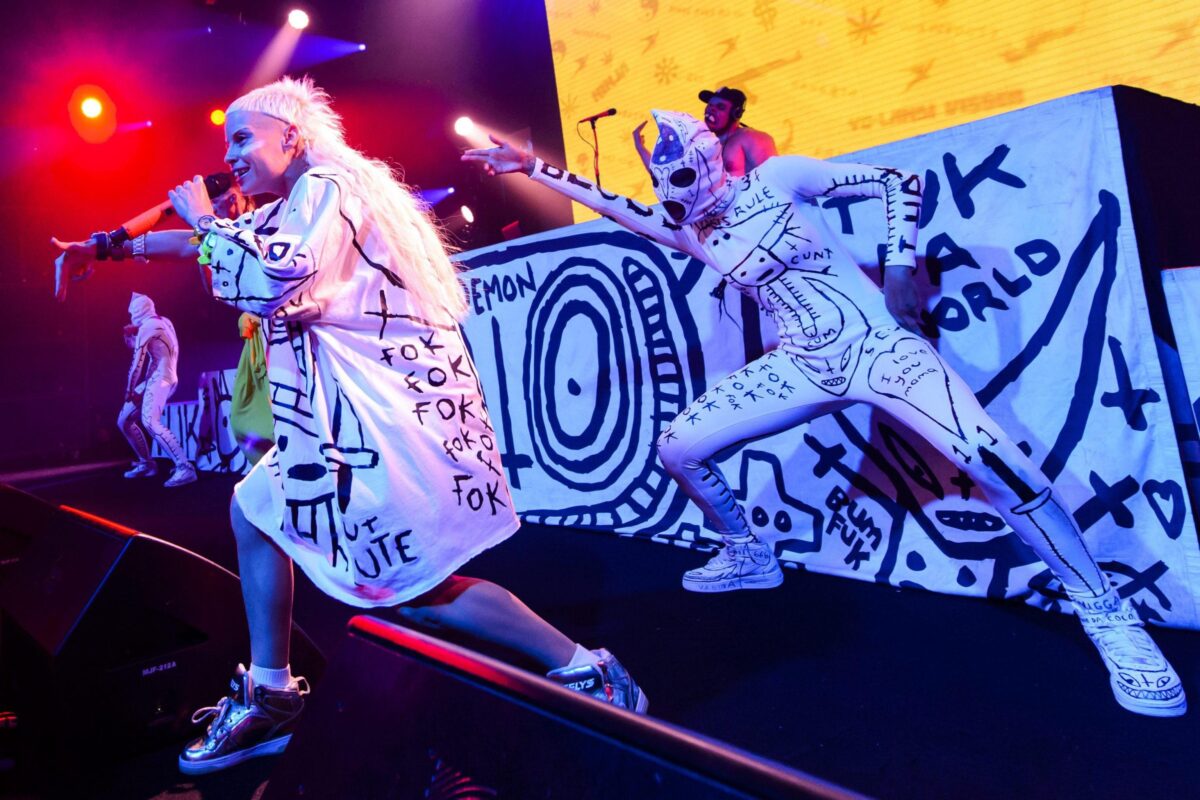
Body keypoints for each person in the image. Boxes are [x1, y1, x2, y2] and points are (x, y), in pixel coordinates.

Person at [463, 110, 1187, 718]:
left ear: (709, 160)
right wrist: (534, 167)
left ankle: (1104, 609)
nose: (672, 195)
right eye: (662, 183)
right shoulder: (690, 228)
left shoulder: (778, 180)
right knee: (678, 446)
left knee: (995, 461)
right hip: (803, 363)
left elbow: (897, 183)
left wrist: (899, 268)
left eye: (681, 178)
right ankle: (749, 552)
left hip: (880, 349)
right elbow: (613, 204)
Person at [52, 76, 646, 776]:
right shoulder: (303, 199)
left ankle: (588, 667)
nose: (230, 156)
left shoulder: (328, 185)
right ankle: (272, 693)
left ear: (292, 136)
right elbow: (202, 249)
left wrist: (210, 223)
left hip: (379, 422)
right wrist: (108, 247)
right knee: (254, 508)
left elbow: (269, 278)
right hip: (339, 421)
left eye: (241, 138)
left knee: (418, 592)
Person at [117, 292, 198, 487]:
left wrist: (129, 390)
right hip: (159, 377)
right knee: (124, 421)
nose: (131, 317)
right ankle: (147, 463)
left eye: (132, 313)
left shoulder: (147, 326)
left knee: (150, 422)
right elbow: (150, 348)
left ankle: (185, 467)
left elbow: (136, 365)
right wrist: (131, 337)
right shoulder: (164, 321)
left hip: (160, 379)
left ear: (138, 311)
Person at [634, 86, 776, 178]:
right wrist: (640, 147)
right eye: (710, 105)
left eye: (720, 107)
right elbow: (666, 178)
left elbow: (775, 178)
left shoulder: (750, 137)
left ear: (736, 114)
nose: (711, 109)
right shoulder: (703, 148)